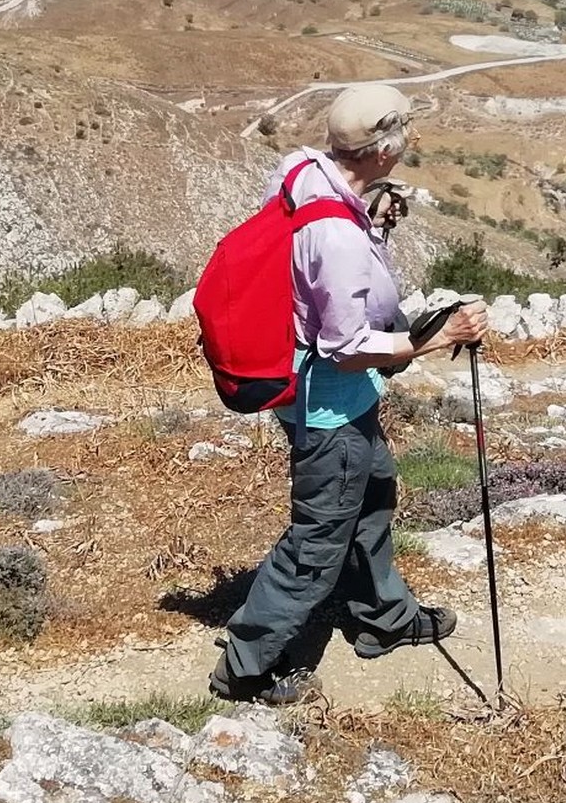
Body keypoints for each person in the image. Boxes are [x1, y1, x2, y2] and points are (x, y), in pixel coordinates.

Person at [210, 84, 490, 703]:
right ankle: (247, 665)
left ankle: (383, 618)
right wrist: (435, 338)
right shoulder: (336, 237)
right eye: (407, 133)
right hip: (328, 404)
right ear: (385, 150)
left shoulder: (304, 171)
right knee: (318, 536)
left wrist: (374, 219)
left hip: (333, 397)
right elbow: (348, 344)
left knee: (372, 499)